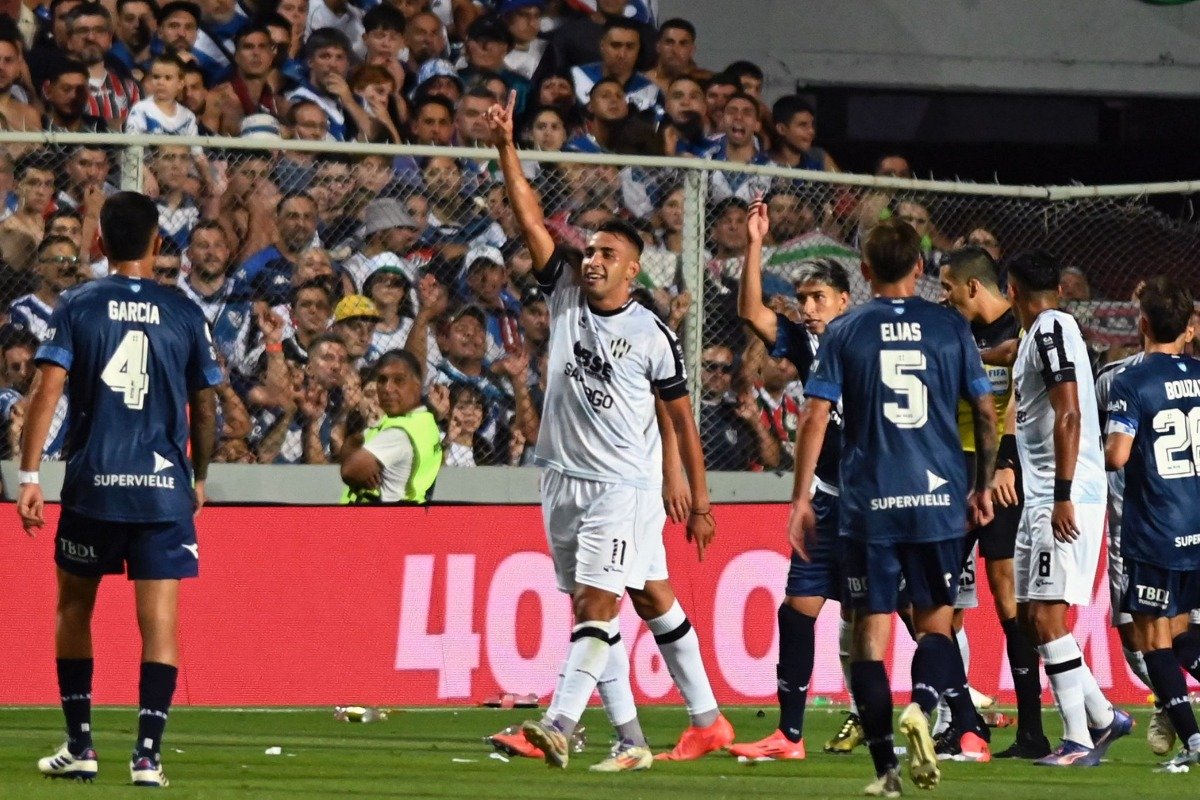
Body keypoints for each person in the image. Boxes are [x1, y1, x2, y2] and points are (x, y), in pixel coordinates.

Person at [488, 91, 721, 771]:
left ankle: (558, 723)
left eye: (605, 254)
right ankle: (673, 728)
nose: (590, 260)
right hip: (561, 478)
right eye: (588, 250)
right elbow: (530, 213)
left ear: (631, 269)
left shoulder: (652, 334)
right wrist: (506, 147)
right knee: (645, 596)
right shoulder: (561, 286)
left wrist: (696, 497)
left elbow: (682, 419)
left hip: (623, 484)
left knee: (597, 604)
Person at [790, 218, 997, 795]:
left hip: (868, 504)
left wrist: (801, 497)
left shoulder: (845, 329)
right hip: (936, 501)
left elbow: (813, 417)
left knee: (869, 639)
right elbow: (984, 412)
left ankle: (886, 771)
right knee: (935, 626)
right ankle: (923, 704)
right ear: (920, 269)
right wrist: (981, 486)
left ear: (862, 272)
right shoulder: (950, 325)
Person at [21, 191, 221, 787]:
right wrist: (200, 475)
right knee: (159, 622)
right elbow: (206, 405)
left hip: (93, 487)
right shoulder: (185, 312)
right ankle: (147, 756)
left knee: (73, 608)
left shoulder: (78, 305)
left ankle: (81, 745)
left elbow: (47, 391)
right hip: (162, 490)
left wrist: (30, 475)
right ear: (158, 245)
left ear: (99, 244)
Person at [728, 197, 855, 760]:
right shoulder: (807, 342)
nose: (807, 308)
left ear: (846, 301)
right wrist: (756, 241)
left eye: (817, 298)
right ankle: (790, 734)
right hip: (827, 499)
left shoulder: (869, 340)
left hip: (876, 501)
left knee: (909, 612)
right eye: (803, 298)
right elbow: (751, 311)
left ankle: (959, 714)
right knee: (796, 609)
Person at [1007, 249, 1131, 766]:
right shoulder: (1043, 331)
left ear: (1011, 289)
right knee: (1032, 617)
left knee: (1047, 616)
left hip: (1063, 495)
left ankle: (1079, 740)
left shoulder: (1052, 329)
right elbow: (1018, 353)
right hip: (1044, 494)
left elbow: (1071, 412)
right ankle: (1104, 715)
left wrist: (1060, 495)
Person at [936, 246, 1049, 759]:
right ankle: (959, 720)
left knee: (1009, 602)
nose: (943, 296)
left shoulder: (1022, 332)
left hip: (1001, 475)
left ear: (972, 287)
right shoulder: (951, 330)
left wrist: (1008, 465)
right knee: (935, 604)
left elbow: (1023, 407)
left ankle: (1032, 730)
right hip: (949, 474)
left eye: (948, 287)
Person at [1103, 276, 1200, 770]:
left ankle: (1194, 742)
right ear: (1189, 327)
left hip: (1156, 525)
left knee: (1151, 635)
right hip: (1197, 520)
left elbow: (1117, 455)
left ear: (1141, 323)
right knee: (1183, 634)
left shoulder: (1132, 380)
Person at [340, 349, 441, 503]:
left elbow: (348, 471)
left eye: (399, 380)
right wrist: (359, 453)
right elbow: (352, 442)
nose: (387, 388)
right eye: (382, 380)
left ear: (417, 385)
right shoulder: (424, 421)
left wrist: (358, 459)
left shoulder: (397, 434)